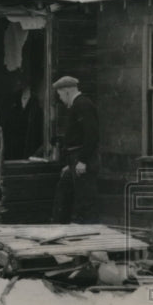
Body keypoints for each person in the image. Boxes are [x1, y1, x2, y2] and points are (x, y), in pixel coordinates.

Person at [51, 76, 100, 224]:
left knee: (85, 199)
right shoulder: (76, 105)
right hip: (75, 159)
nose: (60, 99)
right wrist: (70, 164)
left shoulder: (83, 105)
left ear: (66, 91)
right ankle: (60, 226)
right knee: (64, 189)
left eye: (60, 95)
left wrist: (82, 161)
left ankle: (88, 230)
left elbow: (92, 135)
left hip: (83, 158)